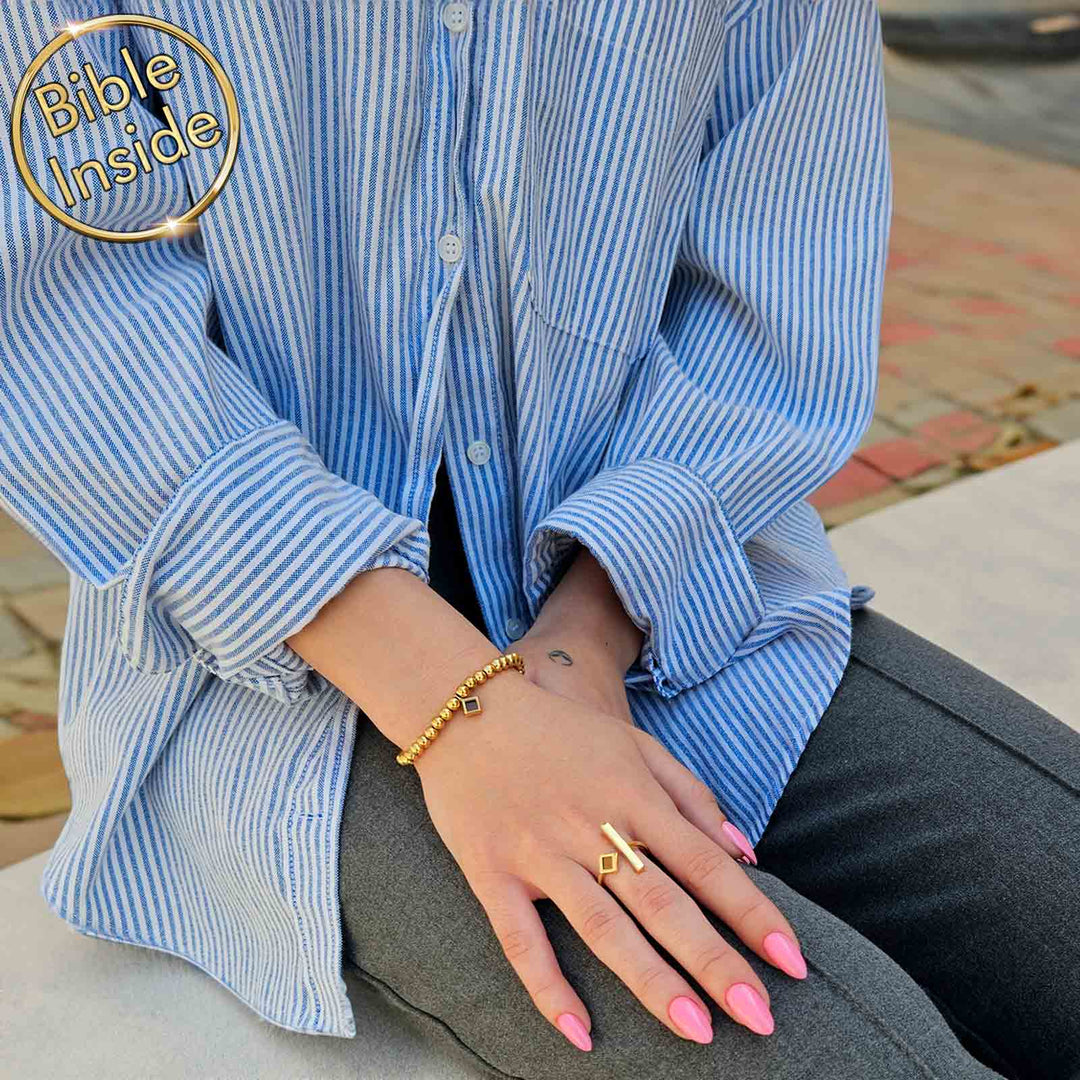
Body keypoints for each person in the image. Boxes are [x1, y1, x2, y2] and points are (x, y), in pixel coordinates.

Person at [0, 2, 1076, 1079]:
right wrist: (461, 709)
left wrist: (582, 645)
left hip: (670, 599)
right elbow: (66, 325)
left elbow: (776, 281)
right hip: (272, 680)